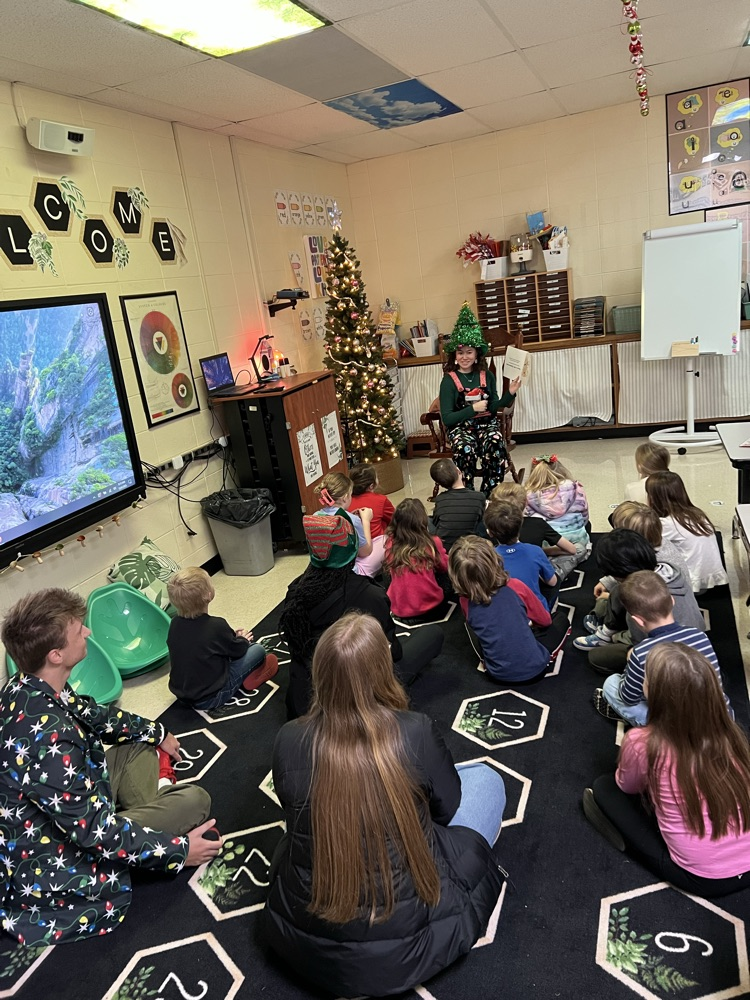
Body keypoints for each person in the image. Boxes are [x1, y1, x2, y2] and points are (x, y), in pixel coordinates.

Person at [264, 612, 506, 997]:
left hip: (306, 943)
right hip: (410, 941)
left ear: (319, 674)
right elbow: (447, 810)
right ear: (382, 669)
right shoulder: (415, 729)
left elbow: (293, 815)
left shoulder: (288, 738)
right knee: (486, 779)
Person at [0, 588, 221, 946]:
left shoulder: (26, 686)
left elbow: (95, 715)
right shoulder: (51, 739)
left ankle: (143, 831)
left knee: (138, 746)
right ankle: (144, 843)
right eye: (78, 630)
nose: (88, 632)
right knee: (196, 801)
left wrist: (157, 732)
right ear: (56, 655)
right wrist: (178, 851)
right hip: (58, 858)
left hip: (65, 810)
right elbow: (92, 833)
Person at [584, 643, 750, 898]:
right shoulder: (730, 733)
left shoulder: (643, 742)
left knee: (604, 787)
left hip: (704, 878)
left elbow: (627, 786)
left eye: (646, 679)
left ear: (655, 693)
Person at [280, 512, 443, 718]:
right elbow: (392, 652)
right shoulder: (370, 595)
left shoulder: (295, 592)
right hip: (358, 696)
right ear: (351, 550)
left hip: (305, 703)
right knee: (432, 635)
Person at [594, 570, 728, 725]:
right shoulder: (700, 635)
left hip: (677, 727)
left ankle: (654, 728)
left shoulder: (642, 652)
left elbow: (628, 698)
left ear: (637, 620)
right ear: (672, 601)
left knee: (611, 684)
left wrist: (631, 663)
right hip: (719, 718)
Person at [574, 528, 706, 676]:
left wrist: (618, 638)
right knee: (616, 592)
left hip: (671, 656)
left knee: (597, 658)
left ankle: (611, 635)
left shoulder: (640, 603)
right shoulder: (668, 569)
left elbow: (643, 646)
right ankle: (608, 632)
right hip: (694, 635)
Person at [449, 536, 570, 682]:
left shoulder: (464, 600)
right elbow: (545, 621)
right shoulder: (515, 586)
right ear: (495, 560)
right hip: (536, 669)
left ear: (455, 574)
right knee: (561, 618)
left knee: (471, 628)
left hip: (496, 674)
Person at [166, 567, 279, 711]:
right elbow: (238, 651)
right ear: (208, 595)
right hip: (212, 697)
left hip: (182, 695)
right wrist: (242, 639)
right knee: (257, 650)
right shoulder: (216, 625)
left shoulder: (174, 623)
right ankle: (252, 675)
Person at [438, 324, 520, 495]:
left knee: (495, 442)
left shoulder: (486, 375)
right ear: (455, 355)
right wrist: (473, 409)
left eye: (469, 352)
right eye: (460, 353)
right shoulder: (448, 381)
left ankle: (490, 493)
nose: (464, 357)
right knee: (464, 448)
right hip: (460, 428)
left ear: (476, 354)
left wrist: (510, 393)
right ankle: (466, 494)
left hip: (487, 425)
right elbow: (447, 418)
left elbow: (494, 407)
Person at [645, 470, 728, 592]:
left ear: (653, 498)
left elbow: (647, 545)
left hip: (689, 584)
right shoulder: (697, 513)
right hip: (708, 578)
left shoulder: (667, 523)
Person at [490, 480, 581, 581]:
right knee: (580, 548)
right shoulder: (538, 524)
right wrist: (542, 551)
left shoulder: (489, 527)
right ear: (526, 502)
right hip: (535, 577)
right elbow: (571, 549)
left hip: (500, 577)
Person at [484, 499, 558, 610]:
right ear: (520, 527)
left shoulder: (487, 558)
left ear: (489, 533)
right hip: (534, 612)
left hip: (503, 612)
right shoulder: (535, 551)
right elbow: (552, 582)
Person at [384, 498, 449, 620]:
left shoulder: (390, 543)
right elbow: (444, 567)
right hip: (431, 605)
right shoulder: (432, 542)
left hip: (398, 607)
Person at [313, 471, 376, 576]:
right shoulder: (352, 520)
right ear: (345, 497)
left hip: (323, 569)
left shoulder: (315, 516)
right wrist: (366, 521)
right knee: (384, 542)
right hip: (348, 572)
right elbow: (365, 552)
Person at [523, 454, 590, 553]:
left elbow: (529, 524)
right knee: (588, 524)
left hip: (546, 545)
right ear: (561, 470)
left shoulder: (527, 495)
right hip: (578, 541)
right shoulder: (575, 488)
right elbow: (585, 517)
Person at [429, 457, 487, 550]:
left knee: (429, 519)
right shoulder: (479, 497)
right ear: (459, 471)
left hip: (446, 547)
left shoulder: (440, 499)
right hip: (469, 546)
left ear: (441, 484)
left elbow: (436, 522)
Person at [349, 462, 395, 577]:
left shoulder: (347, 501)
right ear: (371, 485)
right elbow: (396, 521)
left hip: (352, 551)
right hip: (374, 549)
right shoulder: (381, 500)